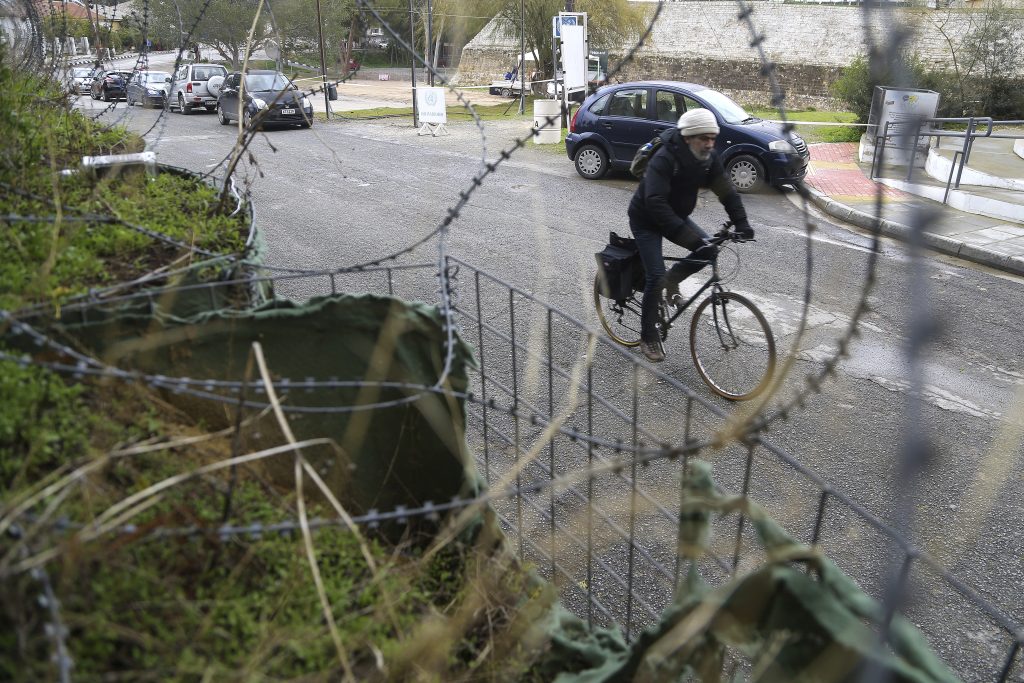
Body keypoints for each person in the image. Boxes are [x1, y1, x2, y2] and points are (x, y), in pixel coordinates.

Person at [627, 108, 754, 363]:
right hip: (647, 219)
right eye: (704, 138)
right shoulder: (664, 158)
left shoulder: (708, 158)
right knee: (655, 276)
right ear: (688, 137)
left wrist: (742, 223)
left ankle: (672, 282)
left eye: (712, 138)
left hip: (676, 215)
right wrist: (690, 238)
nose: (709, 144)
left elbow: (726, 191)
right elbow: (655, 201)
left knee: (708, 249)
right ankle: (648, 336)